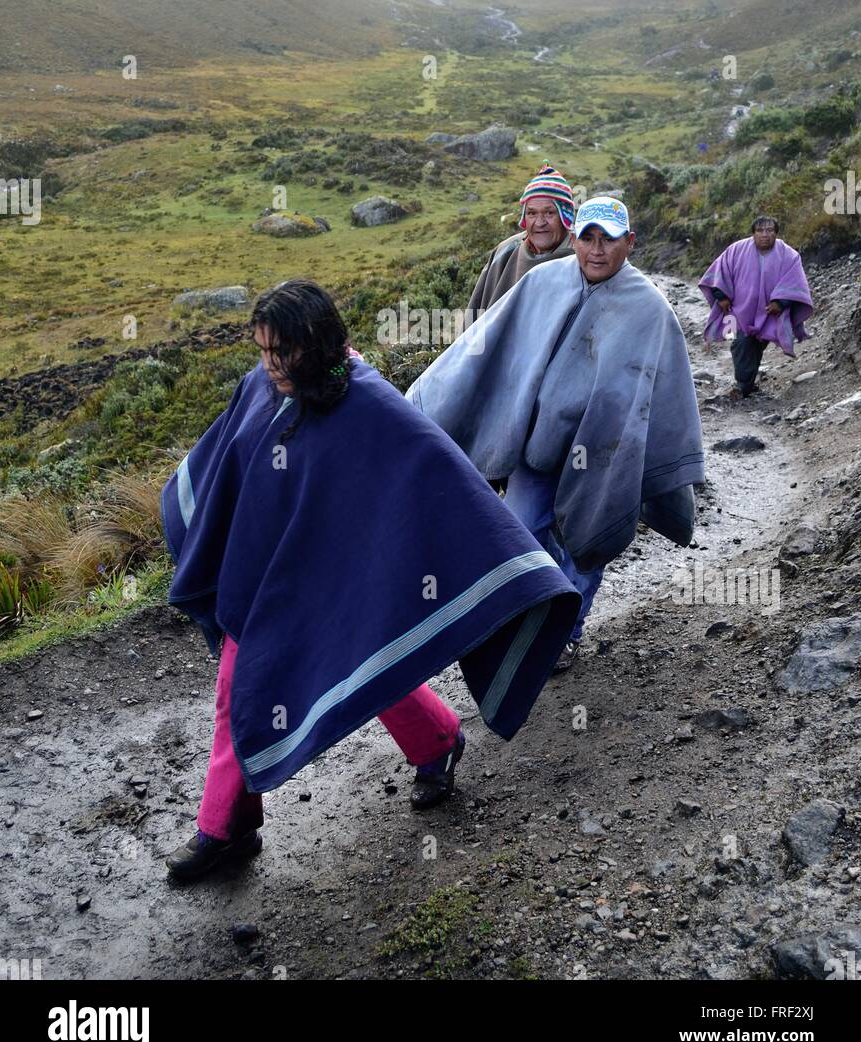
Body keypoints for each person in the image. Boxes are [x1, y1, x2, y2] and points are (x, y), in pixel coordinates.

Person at [160, 279, 579, 881]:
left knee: (322, 670)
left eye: (283, 352)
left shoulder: (370, 403)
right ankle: (427, 744)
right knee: (308, 673)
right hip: (269, 575)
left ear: (319, 343)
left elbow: (437, 474)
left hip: (344, 574)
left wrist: (517, 563)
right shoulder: (264, 383)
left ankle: (224, 827)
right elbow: (230, 458)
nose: (271, 365)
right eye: (262, 350)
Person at [407, 196, 705, 671]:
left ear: (629, 242)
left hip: (602, 459)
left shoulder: (651, 310)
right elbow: (485, 348)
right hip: (537, 453)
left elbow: (665, 398)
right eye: (587, 237)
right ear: (574, 239)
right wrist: (426, 401)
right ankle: (521, 623)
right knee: (518, 534)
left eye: (609, 239)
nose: (597, 249)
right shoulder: (542, 283)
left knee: (583, 547)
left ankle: (566, 633)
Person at [699, 217, 813, 399]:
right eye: (760, 231)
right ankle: (744, 385)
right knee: (740, 343)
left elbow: (795, 281)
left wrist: (780, 303)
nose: (765, 235)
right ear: (753, 233)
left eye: (769, 231)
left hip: (769, 314)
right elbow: (719, 272)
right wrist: (722, 296)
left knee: (756, 345)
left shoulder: (789, 255)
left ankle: (745, 384)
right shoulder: (736, 250)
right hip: (739, 311)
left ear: (776, 233)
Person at [465, 162, 575, 322]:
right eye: (531, 213)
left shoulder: (583, 256)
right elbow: (474, 320)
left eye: (549, 213)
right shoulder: (506, 252)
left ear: (566, 217)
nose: (539, 222)